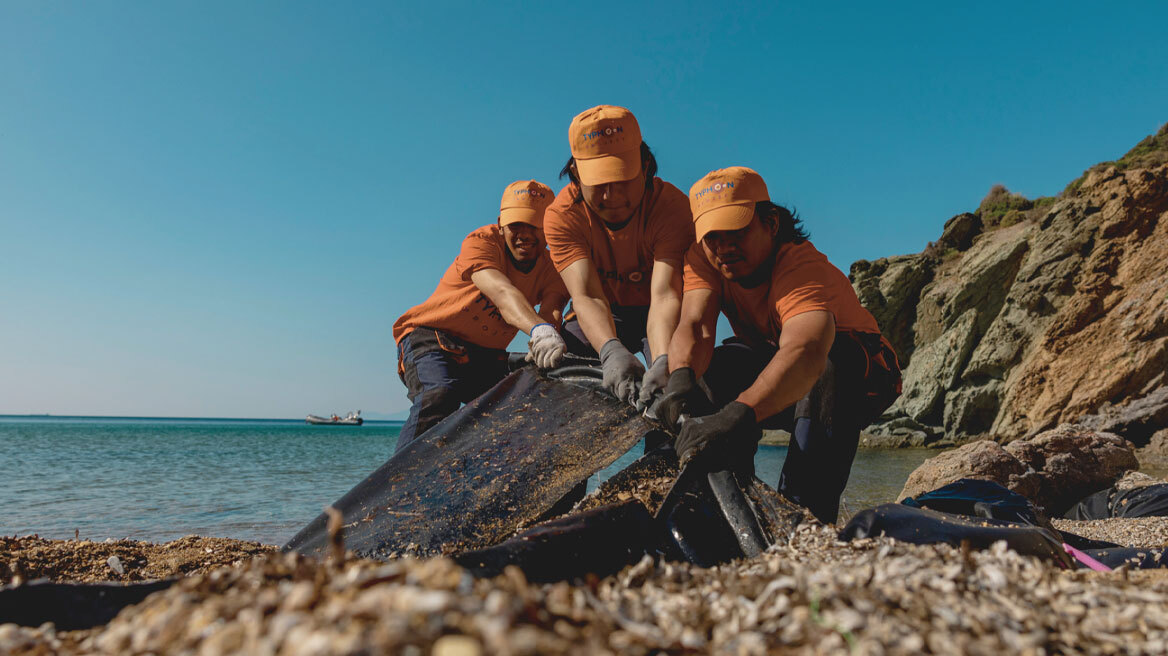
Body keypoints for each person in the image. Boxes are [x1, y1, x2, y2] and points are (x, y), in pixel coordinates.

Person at [654, 167, 901, 524]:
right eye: (713, 237)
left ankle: (803, 514)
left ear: (770, 223)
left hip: (857, 377)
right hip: (782, 361)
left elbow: (806, 351)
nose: (724, 247)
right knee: (713, 370)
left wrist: (736, 413)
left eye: (735, 231)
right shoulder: (704, 257)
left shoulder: (801, 267)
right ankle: (726, 510)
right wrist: (679, 382)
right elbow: (697, 327)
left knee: (830, 367)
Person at [392, 180, 570, 452]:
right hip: (430, 339)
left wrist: (546, 338)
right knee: (440, 395)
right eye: (515, 225)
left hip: (484, 357)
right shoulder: (482, 242)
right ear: (501, 223)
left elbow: (553, 308)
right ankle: (399, 489)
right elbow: (501, 292)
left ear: (549, 227)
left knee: (523, 411)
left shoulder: (553, 266)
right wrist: (539, 331)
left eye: (534, 225)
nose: (524, 234)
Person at [543, 105, 694, 410]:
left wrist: (664, 360)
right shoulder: (562, 217)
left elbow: (665, 296)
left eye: (623, 179)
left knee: (677, 382)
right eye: (599, 183)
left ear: (646, 164)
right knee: (559, 373)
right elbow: (586, 295)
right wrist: (610, 349)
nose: (612, 197)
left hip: (660, 305)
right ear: (575, 172)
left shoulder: (673, 208)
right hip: (606, 308)